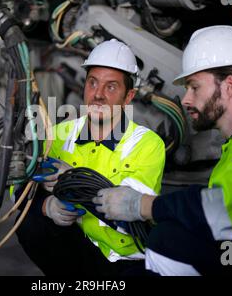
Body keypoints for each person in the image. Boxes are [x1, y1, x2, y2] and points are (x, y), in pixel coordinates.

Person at [93, 25, 232, 275]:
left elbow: (222, 210)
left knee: (169, 238)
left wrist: (142, 205)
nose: (185, 100)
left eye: (194, 86)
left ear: (230, 85)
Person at [14, 39, 166, 276]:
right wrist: (47, 206)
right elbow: (22, 190)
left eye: (111, 87)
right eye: (92, 83)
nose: (98, 95)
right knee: (29, 219)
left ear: (129, 96)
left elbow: (128, 216)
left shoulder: (147, 144)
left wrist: (73, 180)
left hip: (124, 259)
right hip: (76, 248)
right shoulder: (60, 134)